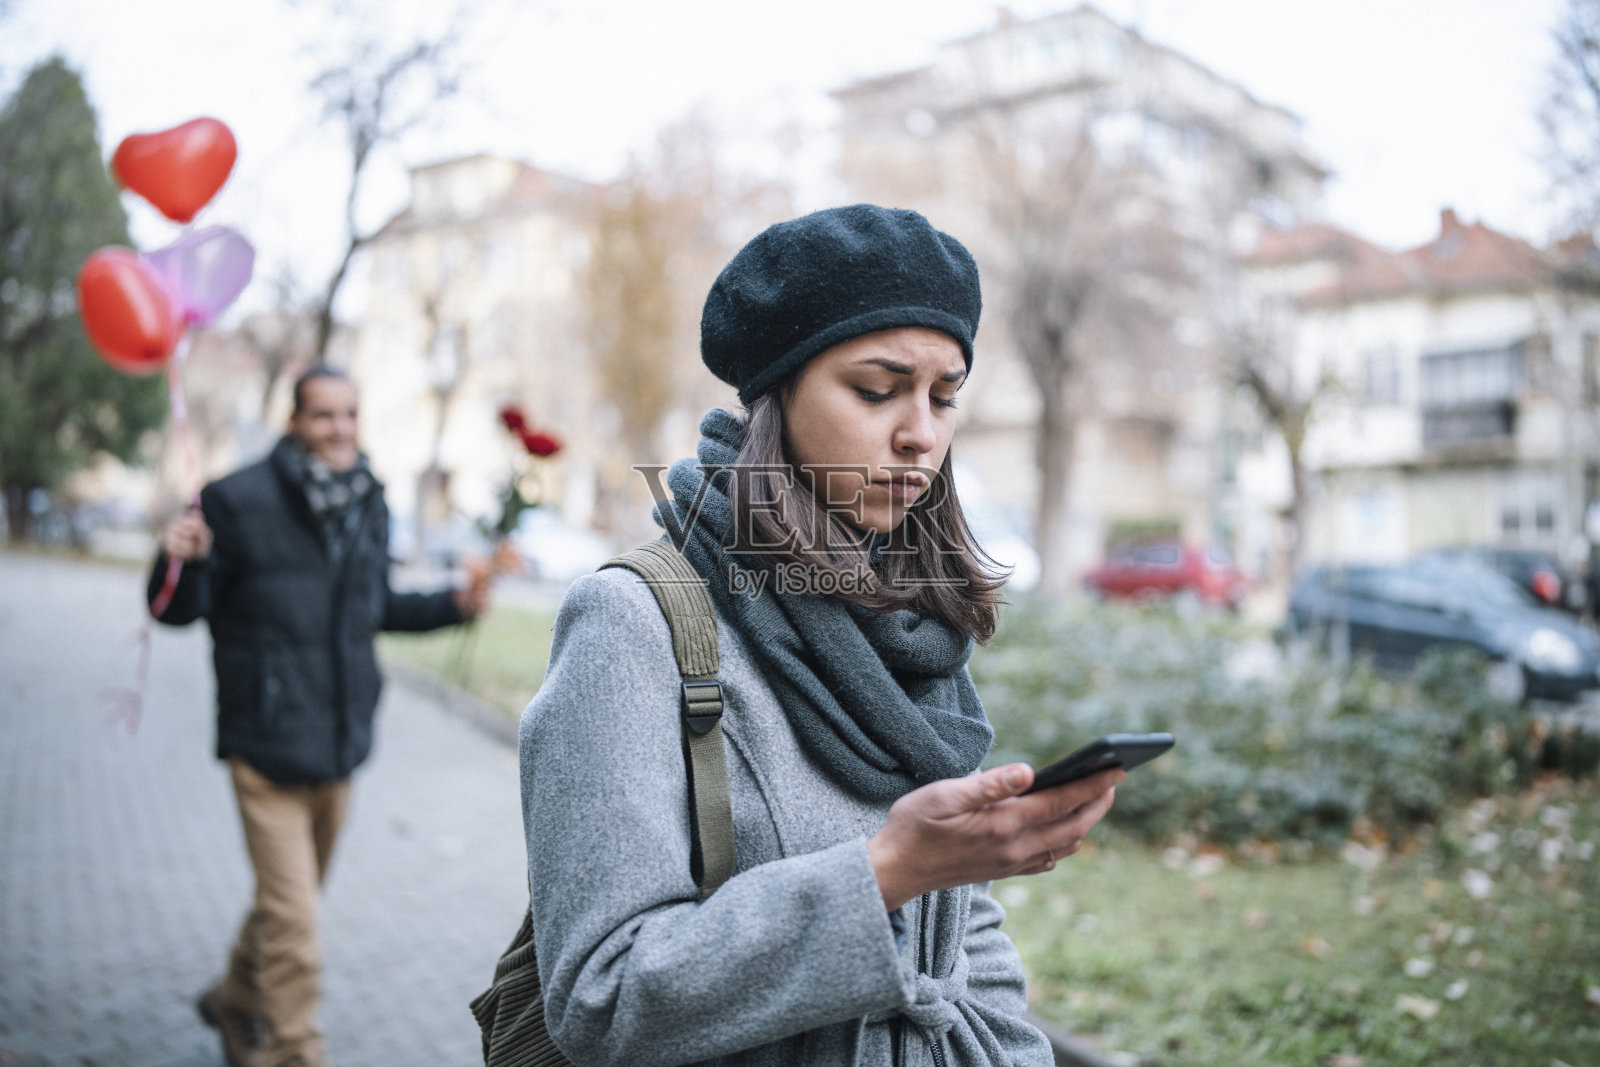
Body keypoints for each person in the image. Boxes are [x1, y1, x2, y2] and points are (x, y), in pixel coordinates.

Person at [519, 204, 1123, 1066]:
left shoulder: (914, 623)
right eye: (877, 390)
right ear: (780, 393)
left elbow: (968, 945)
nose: (920, 434)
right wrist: (885, 873)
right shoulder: (633, 622)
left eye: (944, 395)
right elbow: (600, 995)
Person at [149, 366, 489, 1067]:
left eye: (349, 414)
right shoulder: (232, 500)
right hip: (264, 743)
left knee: (286, 906)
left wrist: (453, 604)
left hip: (339, 745)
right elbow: (178, 608)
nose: (339, 429)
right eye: (323, 415)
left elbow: (376, 607)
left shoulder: (368, 498)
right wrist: (179, 559)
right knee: (297, 928)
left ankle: (235, 997)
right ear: (294, 421)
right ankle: (294, 1051)